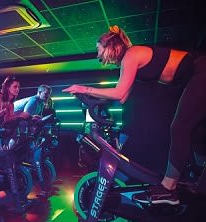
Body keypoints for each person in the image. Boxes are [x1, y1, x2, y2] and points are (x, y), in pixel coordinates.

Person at [63, 25, 206, 205]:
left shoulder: (132, 54)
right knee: (197, 133)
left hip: (200, 71)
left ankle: (169, 189)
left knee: (180, 127)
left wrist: (83, 88)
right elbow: (122, 97)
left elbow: (118, 92)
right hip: (194, 76)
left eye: (99, 50)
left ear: (110, 46)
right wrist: (89, 97)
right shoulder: (130, 60)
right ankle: (200, 181)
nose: (98, 56)